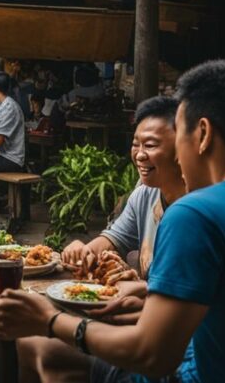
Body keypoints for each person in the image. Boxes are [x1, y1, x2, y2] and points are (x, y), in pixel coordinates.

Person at [0, 60, 225, 383]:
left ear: (202, 134)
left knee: (40, 344)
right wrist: (152, 291)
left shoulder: (198, 212)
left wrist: (48, 320)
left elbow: (152, 356)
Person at [16, 96, 186, 383]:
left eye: (151, 145)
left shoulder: (197, 213)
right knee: (32, 335)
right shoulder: (146, 193)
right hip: (140, 321)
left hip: (166, 344)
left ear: (184, 148)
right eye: (136, 144)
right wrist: (84, 249)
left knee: (41, 342)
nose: (140, 155)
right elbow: (114, 237)